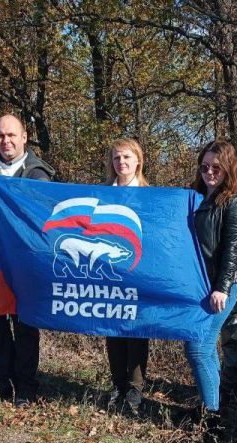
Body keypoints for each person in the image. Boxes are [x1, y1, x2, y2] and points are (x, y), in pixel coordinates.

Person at [0, 114, 56, 408]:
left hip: (23, 263)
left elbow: (42, 218)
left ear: (24, 137)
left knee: (24, 325)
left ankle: (26, 386)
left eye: (11, 135)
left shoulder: (37, 173)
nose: (5, 141)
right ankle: (3, 382)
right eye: (0, 136)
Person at [185, 140, 237, 423]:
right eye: (204, 167)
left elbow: (231, 249)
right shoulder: (197, 197)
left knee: (197, 346)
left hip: (222, 286)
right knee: (206, 346)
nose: (209, 172)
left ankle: (211, 418)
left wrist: (221, 288)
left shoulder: (234, 201)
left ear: (227, 168)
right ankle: (213, 404)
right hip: (199, 284)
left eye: (216, 167)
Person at [102, 138, 150, 414]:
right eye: (117, 158)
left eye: (127, 158)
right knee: (113, 329)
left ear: (138, 161)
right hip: (111, 272)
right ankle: (117, 383)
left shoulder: (148, 195)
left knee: (136, 330)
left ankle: (135, 388)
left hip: (137, 272)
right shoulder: (104, 194)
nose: (121, 163)